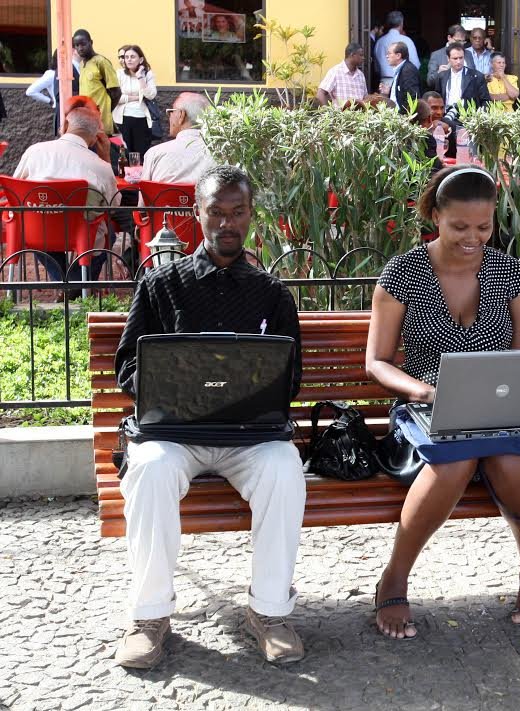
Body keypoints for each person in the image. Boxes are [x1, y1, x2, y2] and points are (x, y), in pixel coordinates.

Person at [112, 165, 306, 669]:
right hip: (174, 432)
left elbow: (290, 379)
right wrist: (167, 384)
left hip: (248, 432)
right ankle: (149, 616)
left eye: (237, 212)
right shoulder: (161, 284)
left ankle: (269, 612)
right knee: (150, 469)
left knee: (284, 469)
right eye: (216, 212)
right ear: (196, 214)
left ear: (251, 216)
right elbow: (127, 364)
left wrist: (254, 389)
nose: (227, 223)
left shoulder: (271, 293)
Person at [366, 166, 520, 639]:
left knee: (512, 462)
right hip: (425, 404)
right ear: (435, 216)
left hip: (499, 404)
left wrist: (516, 396)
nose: (473, 238)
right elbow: (378, 362)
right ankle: (396, 576)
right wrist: (422, 391)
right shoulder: (403, 274)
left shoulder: (509, 272)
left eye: (484, 227)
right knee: (454, 461)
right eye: (460, 227)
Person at [12, 106, 117, 289]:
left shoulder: (34, 152)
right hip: (80, 232)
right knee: (109, 232)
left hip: (37, 231)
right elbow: (112, 205)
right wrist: (106, 156)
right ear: (95, 137)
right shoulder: (100, 165)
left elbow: (15, 188)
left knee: (42, 223)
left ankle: (63, 283)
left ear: (66, 124)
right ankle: (75, 284)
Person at [140, 92, 213, 185]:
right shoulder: (222, 155)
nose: (169, 116)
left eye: (171, 111)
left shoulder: (155, 154)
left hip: (165, 199)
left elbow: (144, 198)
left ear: (181, 115)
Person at [112, 45, 157, 157]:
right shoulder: (119, 74)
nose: (129, 59)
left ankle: (140, 174)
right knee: (124, 155)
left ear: (140, 59)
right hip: (122, 119)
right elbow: (115, 97)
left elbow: (150, 95)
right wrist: (136, 97)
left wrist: (140, 77)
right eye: (126, 57)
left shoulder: (148, 74)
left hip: (141, 119)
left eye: (132, 56)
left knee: (140, 155)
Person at [73, 30, 120, 135]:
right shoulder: (81, 64)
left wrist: (106, 110)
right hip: (87, 120)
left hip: (101, 122)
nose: (80, 48)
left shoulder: (101, 61)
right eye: (77, 45)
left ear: (91, 42)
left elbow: (116, 92)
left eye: (83, 44)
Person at [431, 42, 491, 122]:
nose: (458, 61)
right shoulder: (442, 76)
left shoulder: (476, 76)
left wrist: (480, 119)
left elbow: (486, 101)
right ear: (448, 59)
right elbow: (437, 98)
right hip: (445, 118)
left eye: (461, 58)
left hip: (468, 120)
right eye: (455, 58)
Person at [374, 11, 420, 92]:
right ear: (401, 23)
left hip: (385, 82)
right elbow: (415, 64)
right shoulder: (407, 40)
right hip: (403, 81)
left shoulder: (380, 41)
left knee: (385, 105)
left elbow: (376, 67)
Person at [317, 43, 367, 108]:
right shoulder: (335, 71)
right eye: (361, 55)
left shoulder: (361, 75)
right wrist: (327, 111)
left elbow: (365, 97)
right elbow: (320, 93)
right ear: (352, 55)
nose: (363, 58)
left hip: (359, 116)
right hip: (341, 116)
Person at [383, 42, 421, 114]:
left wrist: (405, 118)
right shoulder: (401, 69)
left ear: (398, 55)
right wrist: (389, 92)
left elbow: (412, 97)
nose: (387, 56)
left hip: (404, 118)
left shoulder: (408, 71)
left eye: (389, 53)